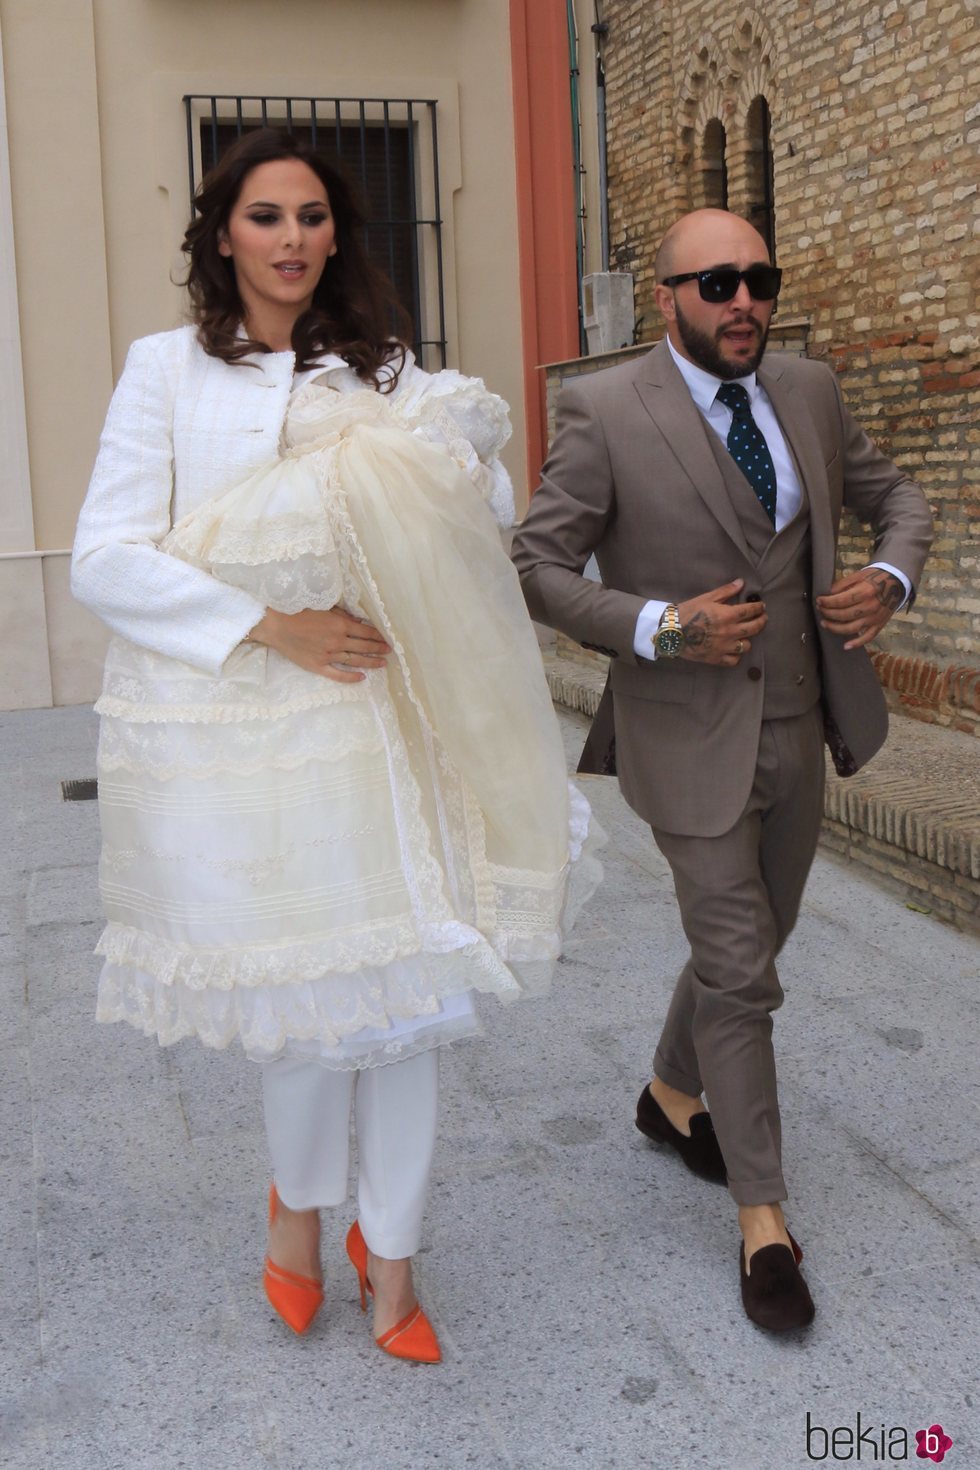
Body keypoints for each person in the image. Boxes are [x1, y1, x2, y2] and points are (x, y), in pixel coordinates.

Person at [72, 128, 600, 1363]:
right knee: (306, 1005)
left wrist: (455, 466)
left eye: (313, 216)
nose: (294, 240)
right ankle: (299, 1214)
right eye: (266, 217)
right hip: (241, 736)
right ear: (219, 233)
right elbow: (105, 557)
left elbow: (475, 526)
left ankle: (397, 1261)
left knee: (407, 1000)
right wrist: (269, 625)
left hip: (382, 722)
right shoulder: (165, 370)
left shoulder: (391, 370)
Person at [511, 207, 933, 1331]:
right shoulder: (602, 409)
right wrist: (656, 621)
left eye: (756, 277)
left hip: (801, 724)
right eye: (714, 284)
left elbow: (896, 496)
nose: (741, 299)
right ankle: (762, 1223)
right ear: (667, 300)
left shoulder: (807, 387)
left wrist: (887, 578)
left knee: (748, 938)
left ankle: (666, 1094)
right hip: (683, 733)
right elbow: (537, 566)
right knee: (742, 969)